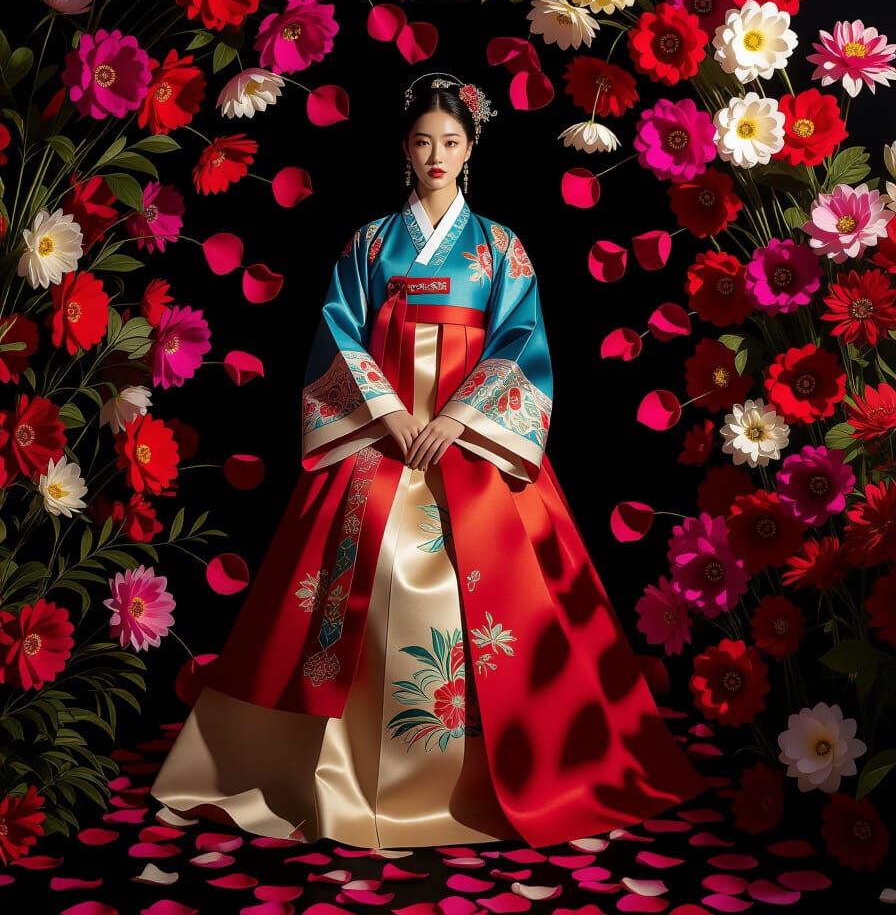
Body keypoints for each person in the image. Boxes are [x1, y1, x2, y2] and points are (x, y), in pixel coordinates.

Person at [149, 71, 712, 850]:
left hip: (467, 432)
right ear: (403, 150)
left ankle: (481, 777)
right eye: (423, 142)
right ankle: (326, 774)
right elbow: (340, 330)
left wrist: (453, 417)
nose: (436, 155)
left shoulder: (501, 247)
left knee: (494, 587)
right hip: (383, 433)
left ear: (471, 147)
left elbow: (522, 342)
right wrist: (385, 412)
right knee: (358, 578)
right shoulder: (371, 242)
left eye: (450, 141)